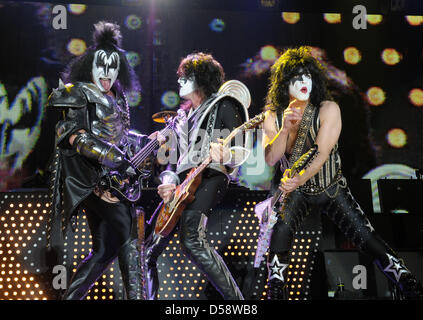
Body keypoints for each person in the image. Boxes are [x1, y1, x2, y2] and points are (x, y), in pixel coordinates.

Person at [261, 46, 423, 300]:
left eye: (307, 77)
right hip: (296, 190)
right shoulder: (273, 115)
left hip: (330, 187)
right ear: (284, 83)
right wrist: (284, 130)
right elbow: (270, 157)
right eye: (296, 78)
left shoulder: (328, 108)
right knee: (280, 230)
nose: (303, 83)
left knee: (364, 235)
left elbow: (321, 152)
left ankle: (406, 280)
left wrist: (298, 179)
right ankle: (276, 289)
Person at [47, 21, 160, 300]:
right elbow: (75, 137)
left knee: (104, 250)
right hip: (92, 181)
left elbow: (121, 135)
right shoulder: (79, 92)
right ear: (91, 66)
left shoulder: (118, 96)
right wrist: (114, 159)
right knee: (130, 240)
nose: (107, 72)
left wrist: (149, 140)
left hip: (116, 182)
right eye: (102, 65)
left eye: (113, 66)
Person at [145, 52, 250, 300]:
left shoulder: (225, 104)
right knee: (147, 250)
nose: (179, 80)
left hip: (212, 176)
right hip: (182, 185)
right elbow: (172, 165)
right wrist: (168, 184)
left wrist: (225, 154)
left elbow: (242, 149)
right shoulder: (180, 118)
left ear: (201, 79)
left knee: (191, 238)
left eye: (186, 76)